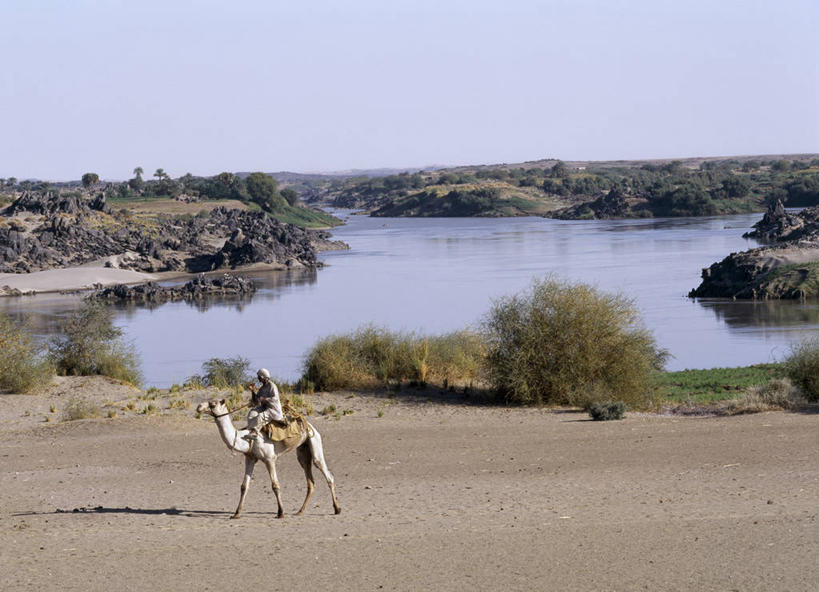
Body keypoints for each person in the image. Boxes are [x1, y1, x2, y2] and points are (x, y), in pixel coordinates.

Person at [245, 368, 288, 436]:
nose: (258, 378)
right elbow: (256, 400)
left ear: (263, 377)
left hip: (272, 409)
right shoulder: (262, 388)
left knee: (260, 416)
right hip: (264, 407)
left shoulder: (272, 386)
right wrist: (252, 391)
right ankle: (249, 429)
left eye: (259, 377)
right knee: (252, 413)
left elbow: (275, 398)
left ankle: (255, 432)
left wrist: (265, 399)